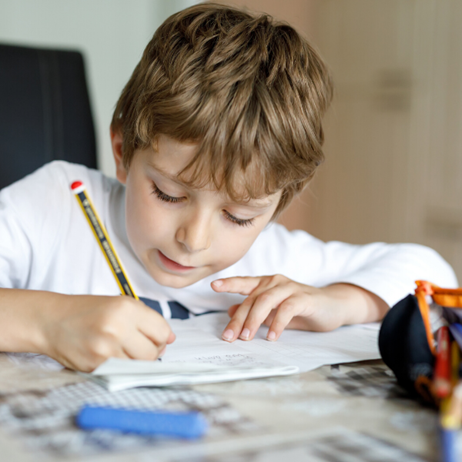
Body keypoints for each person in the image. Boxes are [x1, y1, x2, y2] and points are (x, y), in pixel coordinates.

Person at [0, 3, 456, 372]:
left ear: (281, 202)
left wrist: (338, 302)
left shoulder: (268, 260)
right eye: (169, 194)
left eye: (238, 217)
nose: (193, 239)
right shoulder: (56, 205)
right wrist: (48, 323)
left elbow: (432, 272)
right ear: (122, 152)